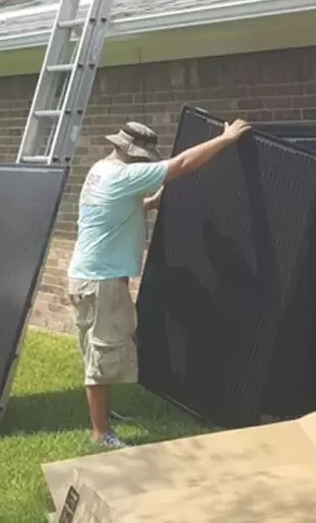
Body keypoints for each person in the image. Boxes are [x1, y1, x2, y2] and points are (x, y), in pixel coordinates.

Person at [67, 117, 251, 448]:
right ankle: (100, 433)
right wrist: (226, 138)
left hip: (94, 279)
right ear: (132, 154)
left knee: (105, 351)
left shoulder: (101, 170)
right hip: (100, 282)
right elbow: (182, 163)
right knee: (101, 357)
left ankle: (103, 419)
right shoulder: (124, 176)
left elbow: (114, 208)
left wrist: (148, 203)